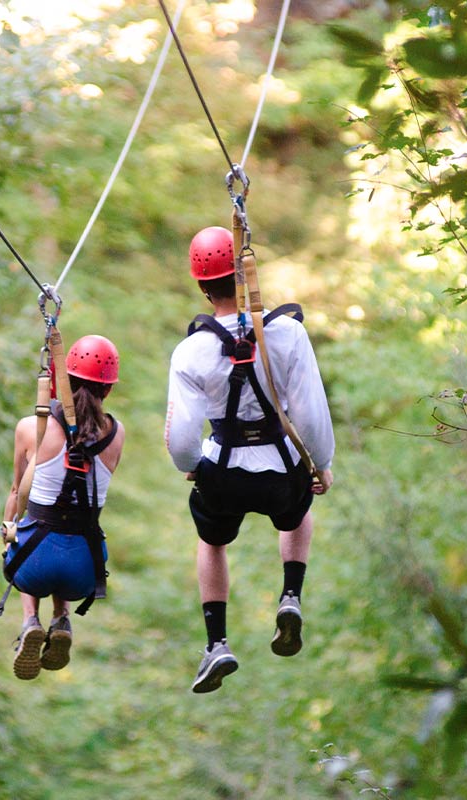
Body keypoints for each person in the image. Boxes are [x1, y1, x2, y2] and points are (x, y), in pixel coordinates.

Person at [165, 226, 335, 693]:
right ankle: (291, 594)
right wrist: (320, 463)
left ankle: (217, 642)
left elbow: (182, 437)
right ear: (245, 274)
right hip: (282, 466)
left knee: (211, 540)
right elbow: (310, 411)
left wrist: (194, 465)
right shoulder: (286, 334)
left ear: (202, 286)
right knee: (298, 514)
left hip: (222, 470)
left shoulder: (190, 351)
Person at [1, 334, 125, 680]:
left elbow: (16, 491)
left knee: (31, 528)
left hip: (33, 562)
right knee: (71, 529)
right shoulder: (117, 434)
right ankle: (62, 617)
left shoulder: (31, 428)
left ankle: (30, 620)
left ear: (63, 379)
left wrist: (7, 529)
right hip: (86, 569)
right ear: (109, 390)